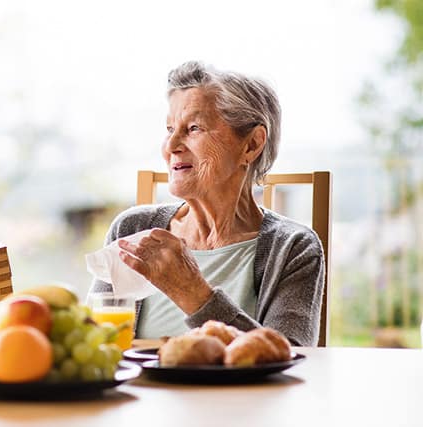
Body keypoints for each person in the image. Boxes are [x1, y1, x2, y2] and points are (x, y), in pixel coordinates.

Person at [90, 61, 324, 346]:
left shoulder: (293, 247)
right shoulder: (133, 229)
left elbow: (291, 357)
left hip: (241, 394)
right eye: (169, 128)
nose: (170, 146)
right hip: (144, 391)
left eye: (193, 128)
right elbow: (96, 343)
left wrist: (193, 294)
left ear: (251, 145)